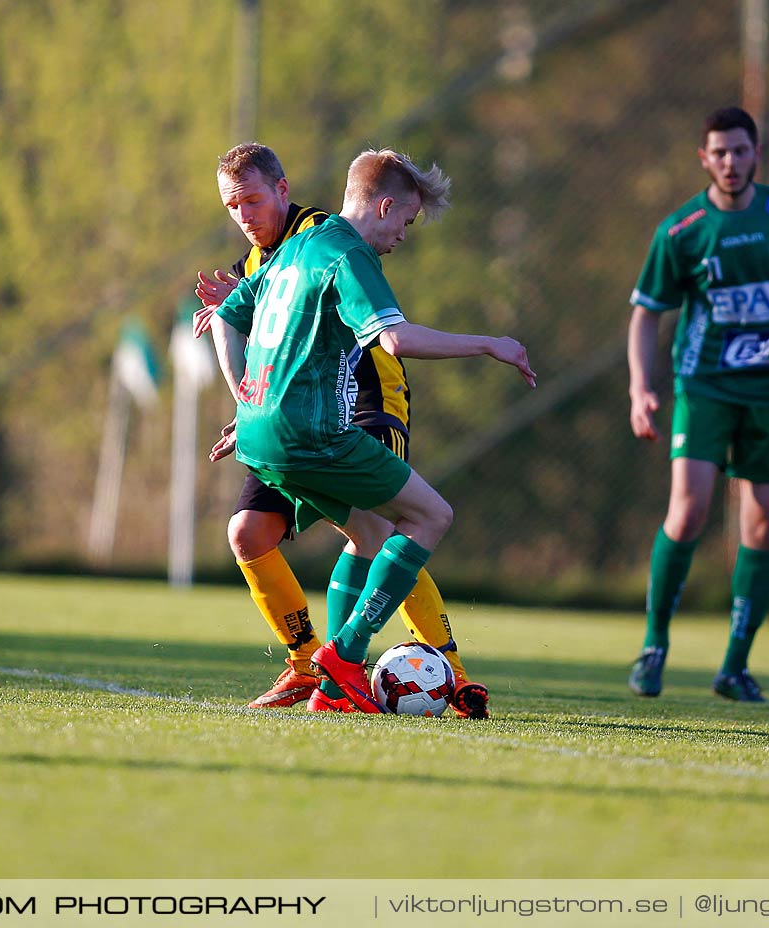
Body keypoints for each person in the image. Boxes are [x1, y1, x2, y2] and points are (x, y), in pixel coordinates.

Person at [197, 147, 535, 714]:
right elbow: (395, 340)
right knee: (431, 515)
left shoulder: (295, 245)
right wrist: (488, 343)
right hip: (316, 432)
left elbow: (227, 315)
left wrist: (247, 399)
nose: (403, 234)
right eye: (405, 221)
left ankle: (330, 684)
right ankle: (346, 656)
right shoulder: (347, 253)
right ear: (383, 206)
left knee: (365, 532)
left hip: (259, 436)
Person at [625, 107, 769, 704]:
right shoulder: (682, 230)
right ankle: (653, 647)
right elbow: (647, 312)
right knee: (689, 512)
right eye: (718, 152)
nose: (730, 162)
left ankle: (735, 667)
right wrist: (642, 387)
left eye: (740, 151)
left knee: (766, 521)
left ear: (756, 154)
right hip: (706, 384)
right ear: (704, 159)